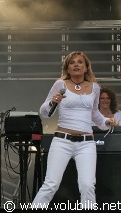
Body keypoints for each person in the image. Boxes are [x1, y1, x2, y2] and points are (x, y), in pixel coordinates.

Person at [32, 51, 118, 209]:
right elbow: (43, 112)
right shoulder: (60, 84)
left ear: (86, 68)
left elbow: (96, 116)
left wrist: (107, 121)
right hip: (62, 140)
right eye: (72, 62)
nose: (76, 65)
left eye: (80, 62)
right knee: (51, 184)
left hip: (86, 143)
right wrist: (52, 102)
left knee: (87, 185)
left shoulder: (95, 87)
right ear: (67, 67)